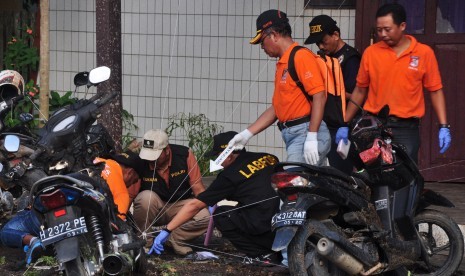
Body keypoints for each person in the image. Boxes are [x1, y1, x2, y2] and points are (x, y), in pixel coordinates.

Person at [339, 3, 451, 164]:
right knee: (377, 178)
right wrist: (345, 123)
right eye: (379, 30)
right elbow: (360, 90)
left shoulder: (423, 53)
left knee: (403, 177)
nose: (383, 34)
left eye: (388, 29)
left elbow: (435, 90)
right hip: (375, 126)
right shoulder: (371, 53)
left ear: (402, 26)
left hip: (407, 128)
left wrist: (444, 126)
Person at [149, 131, 282, 266]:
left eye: (218, 156)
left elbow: (195, 205)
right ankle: (278, 250)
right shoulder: (268, 157)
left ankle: (262, 254)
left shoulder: (228, 176)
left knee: (222, 213)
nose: (216, 161)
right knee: (243, 208)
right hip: (283, 222)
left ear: (228, 155)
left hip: (265, 227)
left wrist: (167, 230)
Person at [0, 150, 142, 265]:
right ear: (130, 172)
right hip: (81, 216)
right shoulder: (121, 187)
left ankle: (33, 240)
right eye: (134, 181)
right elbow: (118, 224)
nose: (131, 185)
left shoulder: (93, 160)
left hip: (47, 214)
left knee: (6, 231)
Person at [228, 9, 331, 166]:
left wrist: (312, 135)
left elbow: (319, 96)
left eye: (262, 42)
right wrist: (247, 134)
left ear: (274, 35)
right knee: (311, 186)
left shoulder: (300, 56)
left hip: (306, 132)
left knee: (292, 182)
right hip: (294, 134)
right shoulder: (283, 63)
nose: (262, 47)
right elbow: (277, 109)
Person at [132, 129, 209, 256]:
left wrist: (208, 207)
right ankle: (144, 244)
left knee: (205, 216)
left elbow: (198, 188)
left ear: (167, 150)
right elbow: (131, 193)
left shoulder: (184, 155)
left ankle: (174, 240)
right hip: (155, 208)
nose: (151, 160)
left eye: (155, 155)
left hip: (181, 206)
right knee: (145, 197)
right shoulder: (140, 161)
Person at [305, 14, 361, 175]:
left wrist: (329, 91)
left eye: (324, 41)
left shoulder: (351, 58)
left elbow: (356, 95)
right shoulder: (325, 58)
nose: (321, 46)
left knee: (342, 172)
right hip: (327, 123)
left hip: (344, 125)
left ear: (336, 35)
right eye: (317, 43)